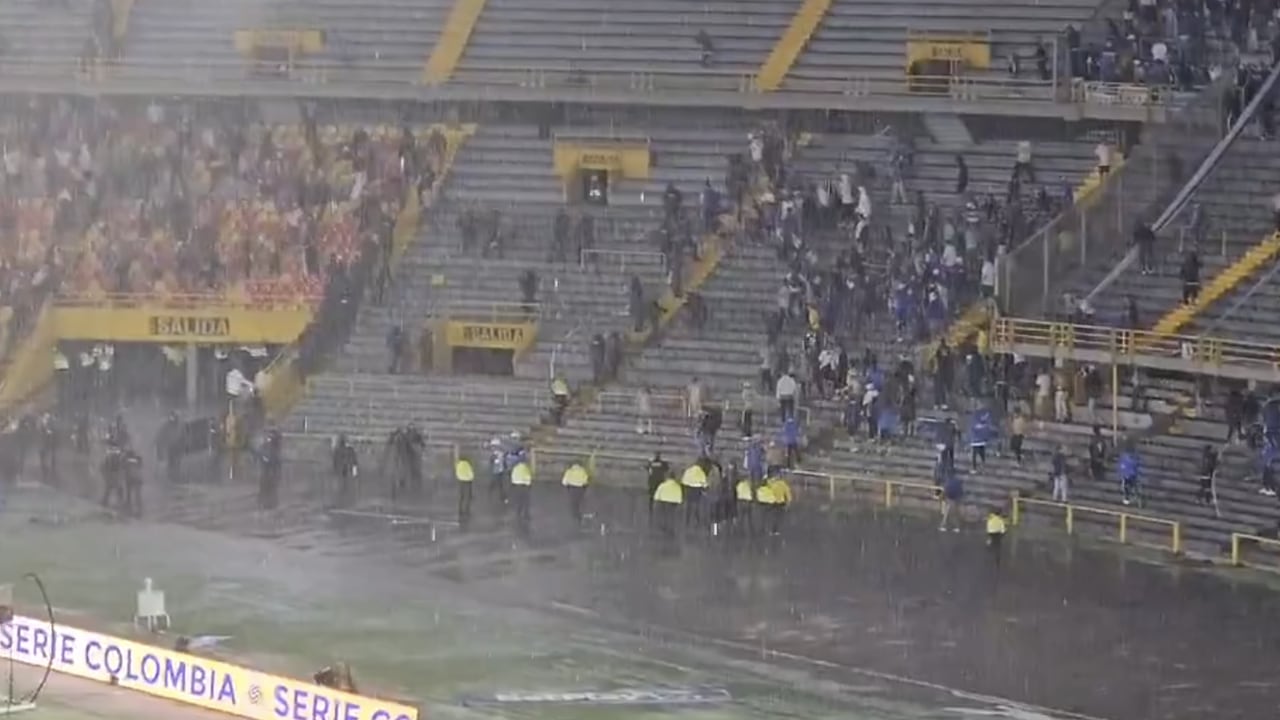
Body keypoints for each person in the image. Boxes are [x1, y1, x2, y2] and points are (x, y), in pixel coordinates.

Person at [258, 427, 282, 511]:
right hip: (267, 466)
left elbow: (277, 457)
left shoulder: (276, 444)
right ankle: (264, 501)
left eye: (272, 434)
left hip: (273, 466)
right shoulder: (265, 444)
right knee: (265, 483)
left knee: (272, 484)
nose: (269, 436)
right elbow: (261, 452)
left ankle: (272, 502)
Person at [680, 459, 709, 528]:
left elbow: (683, 480)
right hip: (697, 490)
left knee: (688, 506)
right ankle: (697, 520)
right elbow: (705, 483)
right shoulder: (701, 472)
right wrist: (705, 488)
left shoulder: (688, 470)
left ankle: (687, 521)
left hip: (688, 489)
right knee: (696, 506)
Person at [332, 434, 359, 506]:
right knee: (346, 485)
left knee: (344, 485)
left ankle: (344, 498)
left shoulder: (338, 450)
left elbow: (335, 461)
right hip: (346, 470)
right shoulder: (349, 450)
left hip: (344, 470)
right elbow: (354, 461)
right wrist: (355, 471)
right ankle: (345, 498)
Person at [561, 459, 590, 525]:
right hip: (580, 488)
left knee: (573, 502)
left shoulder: (569, 471)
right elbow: (585, 480)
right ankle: (581, 512)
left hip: (572, 488)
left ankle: (575, 514)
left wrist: (567, 485)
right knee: (580, 500)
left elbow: (564, 482)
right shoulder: (583, 471)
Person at [509, 457, 533, 535]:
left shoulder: (515, 468)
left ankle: (518, 512)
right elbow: (528, 477)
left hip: (516, 485)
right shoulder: (525, 468)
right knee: (526, 500)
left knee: (518, 500)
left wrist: (513, 483)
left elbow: (512, 476)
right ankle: (526, 514)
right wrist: (529, 484)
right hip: (524, 485)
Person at [939, 464, 963, 532]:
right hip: (956, 499)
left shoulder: (948, 481)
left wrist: (942, 497)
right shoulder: (957, 481)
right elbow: (960, 490)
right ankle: (955, 527)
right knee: (954, 513)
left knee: (948, 514)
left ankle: (945, 526)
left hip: (950, 499)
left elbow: (945, 490)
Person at [455, 454, 475, 530]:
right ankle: (466, 510)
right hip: (467, 481)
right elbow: (471, 473)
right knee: (467, 496)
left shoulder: (459, 464)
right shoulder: (467, 464)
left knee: (462, 496)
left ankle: (460, 509)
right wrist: (471, 478)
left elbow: (457, 472)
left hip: (461, 481)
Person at [1198, 444, 1218, 508]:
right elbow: (1211, 465)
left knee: (1205, 488)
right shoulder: (1207, 459)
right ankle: (1207, 500)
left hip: (1205, 475)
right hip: (1206, 475)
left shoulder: (1205, 457)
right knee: (1207, 489)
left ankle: (1204, 500)